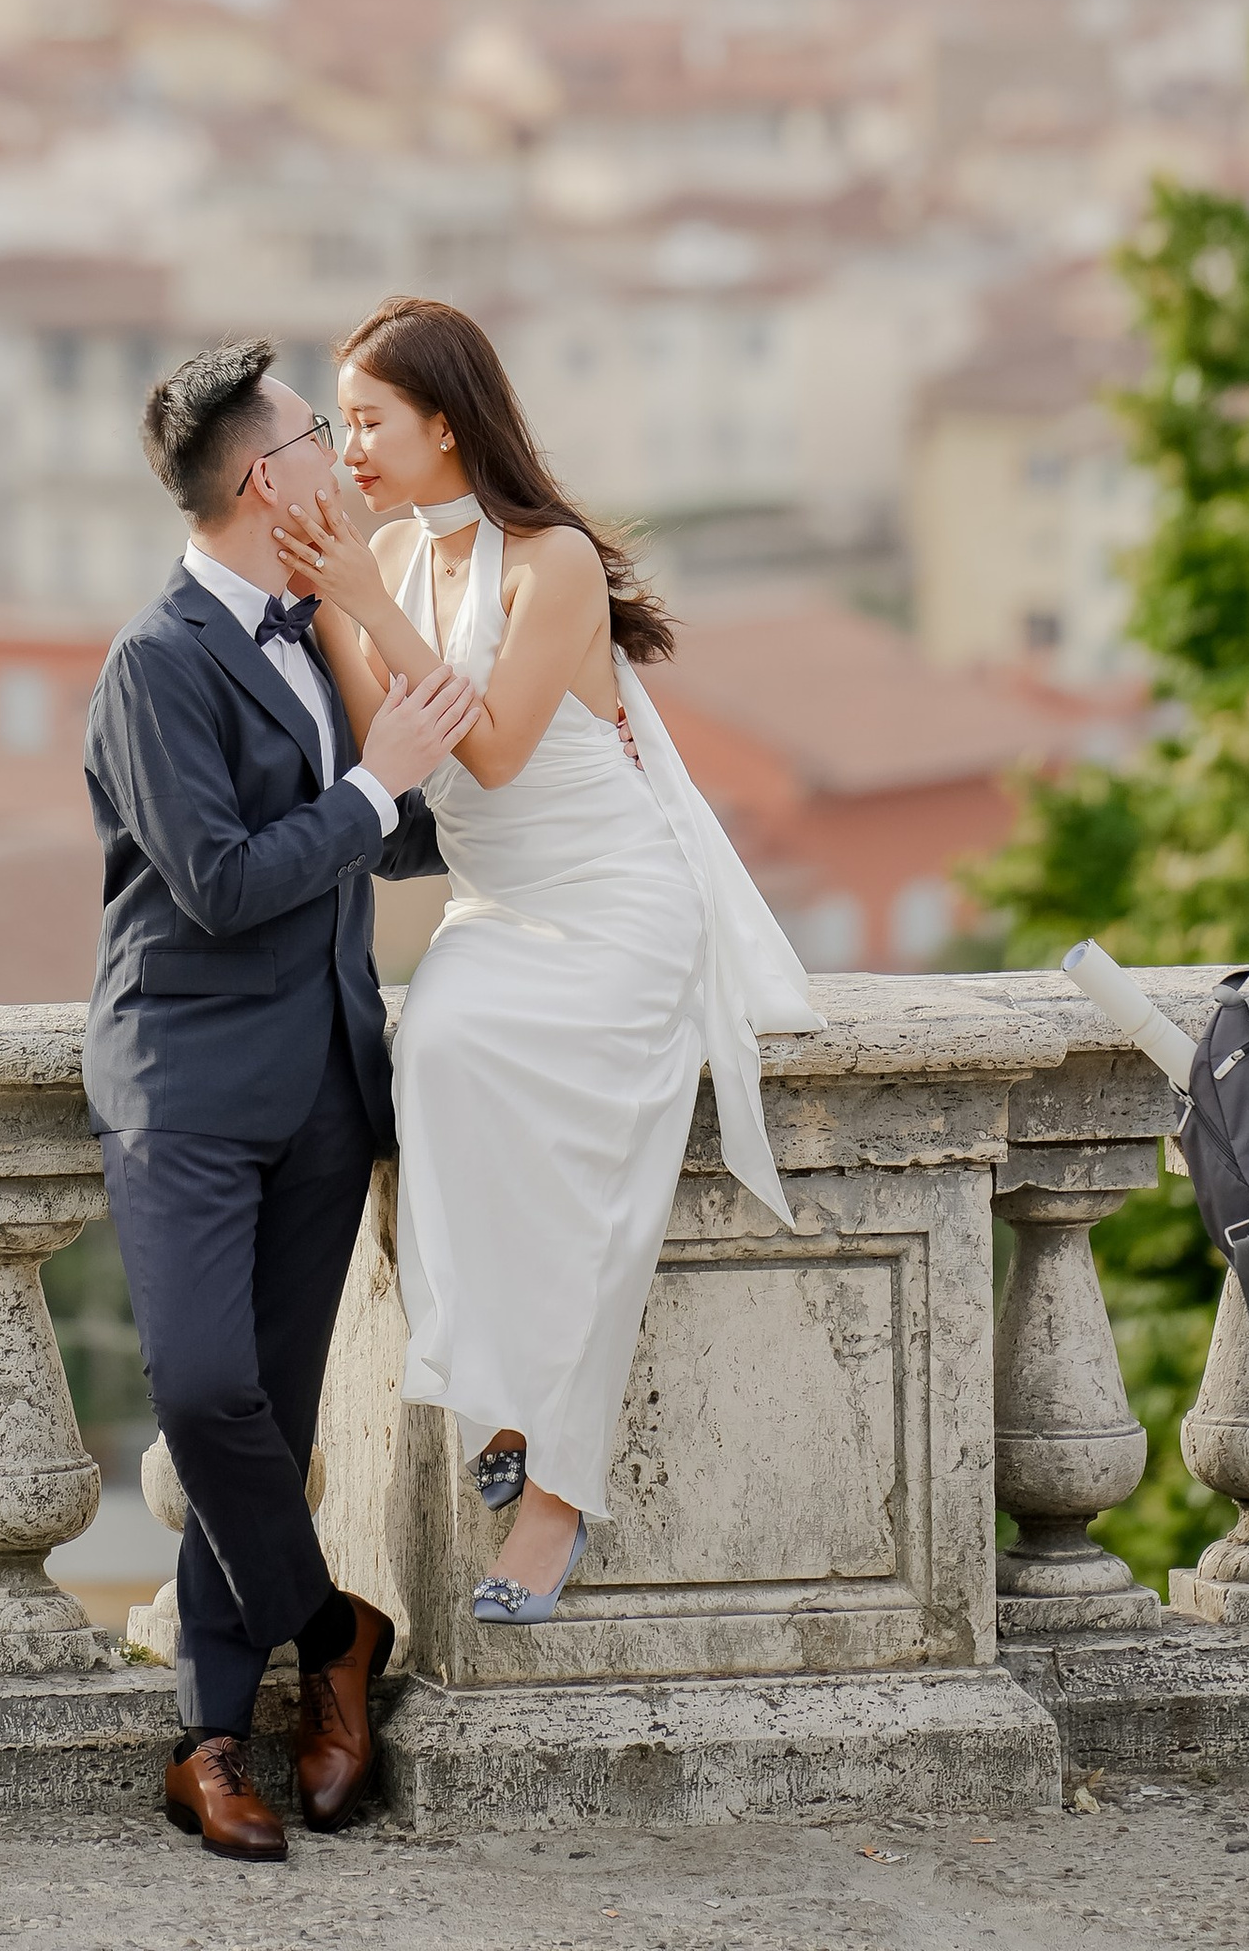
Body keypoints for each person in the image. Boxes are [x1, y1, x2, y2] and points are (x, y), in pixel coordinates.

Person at [268, 293, 822, 1624]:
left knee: (596, 1184)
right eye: (340, 424)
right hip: (496, 909)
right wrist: (331, 604)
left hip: (617, 908)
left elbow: (500, 748)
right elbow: (396, 754)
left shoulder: (551, 559)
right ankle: (503, 1400)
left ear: (446, 425)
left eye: (370, 422)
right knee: (437, 1057)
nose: (350, 448)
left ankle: (557, 1495)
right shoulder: (394, 561)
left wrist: (360, 596)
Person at [82, 338, 473, 1865]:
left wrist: (528, 777)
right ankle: (334, 1630)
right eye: (320, 435)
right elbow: (224, 883)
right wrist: (377, 784)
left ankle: (209, 1738)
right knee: (202, 1394)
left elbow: (401, 834)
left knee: (273, 1417)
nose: (343, 456)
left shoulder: (318, 630)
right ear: (265, 479)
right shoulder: (156, 661)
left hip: (324, 1080)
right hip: (183, 1083)